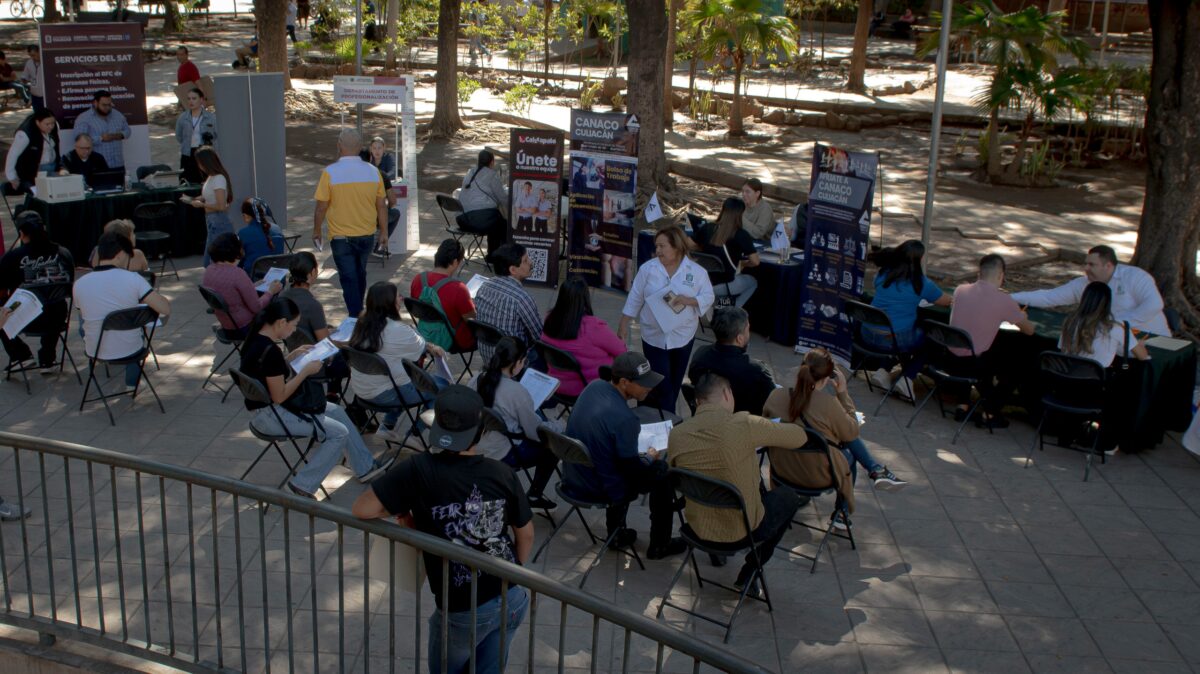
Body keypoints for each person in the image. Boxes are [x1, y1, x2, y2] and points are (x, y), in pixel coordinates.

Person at [352, 385, 532, 674]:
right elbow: (526, 534)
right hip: (511, 596)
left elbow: (362, 509)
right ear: (481, 431)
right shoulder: (502, 472)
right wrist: (514, 572)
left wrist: (402, 508)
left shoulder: (418, 470)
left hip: (462, 610)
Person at [668, 373, 804, 594]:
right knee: (788, 496)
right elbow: (799, 437)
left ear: (698, 401)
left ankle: (729, 559)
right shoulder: (744, 424)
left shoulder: (677, 434)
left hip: (697, 527)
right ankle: (751, 570)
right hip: (743, 532)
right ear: (726, 393)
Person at [240, 298, 390, 499]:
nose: (294, 331)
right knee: (339, 433)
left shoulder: (254, 339)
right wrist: (305, 372)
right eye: (293, 325)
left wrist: (291, 357)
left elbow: (265, 373)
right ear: (281, 322)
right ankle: (301, 486)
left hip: (266, 410)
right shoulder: (270, 352)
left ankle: (365, 467)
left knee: (337, 411)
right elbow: (279, 395)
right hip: (272, 416)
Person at [562, 352, 685, 559]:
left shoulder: (594, 387)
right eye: (643, 383)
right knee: (662, 474)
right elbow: (633, 474)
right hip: (596, 487)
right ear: (624, 382)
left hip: (573, 475)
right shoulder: (626, 419)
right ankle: (660, 544)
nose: (650, 387)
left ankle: (617, 532)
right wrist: (648, 458)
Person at [765, 348, 907, 523]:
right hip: (818, 476)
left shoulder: (775, 396)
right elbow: (852, 431)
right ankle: (842, 512)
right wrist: (843, 393)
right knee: (849, 452)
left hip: (783, 471)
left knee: (832, 442)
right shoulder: (829, 405)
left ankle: (875, 470)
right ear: (826, 379)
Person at [619, 225, 715, 414]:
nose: (658, 251)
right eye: (657, 246)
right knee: (662, 384)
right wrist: (623, 324)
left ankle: (654, 415)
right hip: (653, 337)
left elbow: (709, 296)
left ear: (677, 247)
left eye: (663, 246)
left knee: (674, 382)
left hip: (682, 337)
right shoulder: (648, 269)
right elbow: (635, 297)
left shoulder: (697, 272)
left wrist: (689, 300)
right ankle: (667, 422)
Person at [347, 282, 448, 443]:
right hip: (385, 394)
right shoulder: (397, 330)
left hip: (361, 390)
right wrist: (424, 341)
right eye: (398, 297)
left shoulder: (362, 321)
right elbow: (420, 347)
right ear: (389, 304)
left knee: (403, 375)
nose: (401, 299)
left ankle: (387, 426)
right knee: (443, 389)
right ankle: (415, 435)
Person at [471, 336, 561, 509]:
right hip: (501, 451)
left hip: (475, 444)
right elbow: (535, 433)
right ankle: (534, 495)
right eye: (524, 361)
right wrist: (556, 426)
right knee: (553, 447)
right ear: (518, 363)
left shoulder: (477, 379)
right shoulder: (516, 392)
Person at [73, 233, 171, 391]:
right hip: (130, 350)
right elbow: (165, 309)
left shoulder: (79, 284)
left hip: (95, 350)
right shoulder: (133, 279)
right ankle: (132, 383)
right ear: (120, 255)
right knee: (137, 326)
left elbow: (85, 313)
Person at [949, 254, 1035, 428]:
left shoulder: (960, 290)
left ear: (979, 273)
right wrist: (1022, 316)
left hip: (949, 358)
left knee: (981, 349)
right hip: (976, 363)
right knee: (1017, 366)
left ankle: (962, 405)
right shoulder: (1004, 300)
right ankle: (991, 410)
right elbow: (1029, 330)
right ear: (1001, 275)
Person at [1012, 245, 1170, 336]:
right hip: (1112, 341)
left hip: (1153, 338)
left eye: (1091, 265)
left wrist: (1117, 323)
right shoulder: (1084, 283)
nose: (1085, 269)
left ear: (1108, 265)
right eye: (1085, 264)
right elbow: (1049, 297)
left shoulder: (1135, 276)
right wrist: (1009, 298)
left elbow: (1155, 304)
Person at [313, 129, 388, 317]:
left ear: (339, 145)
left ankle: (356, 317)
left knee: (348, 278)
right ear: (361, 147)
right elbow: (382, 206)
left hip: (340, 238)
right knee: (359, 274)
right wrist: (384, 232)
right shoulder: (373, 172)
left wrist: (316, 230)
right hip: (366, 235)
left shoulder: (330, 173)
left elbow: (321, 207)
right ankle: (358, 312)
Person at [866, 239, 952, 389]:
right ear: (920, 259)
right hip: (893, 339)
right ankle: (907, 378)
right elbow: (945, 301)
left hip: (866, 333)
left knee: (905, 333)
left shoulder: (883, 273)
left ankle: (883, 370)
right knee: (930, 340)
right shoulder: (922, 283)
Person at [0, 212, 73, 371]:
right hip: (57, 318)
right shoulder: (63, 253)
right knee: (53, 301)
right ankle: (47, 358)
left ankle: (21, 355)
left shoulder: (12, 257)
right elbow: (69, 285)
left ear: (21, 233)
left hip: (25, 319)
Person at [539, 275, 626, 398]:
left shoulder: (550, 319)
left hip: (557, 384)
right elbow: (622, 351)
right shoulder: (594, 327)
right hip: (588, 389)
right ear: (585, 298)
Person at [687, 307, 775, 415]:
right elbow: (773, 405)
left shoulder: (699, 355)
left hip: (706, 419)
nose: (749, 334)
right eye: (748, 330)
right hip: (744, 426)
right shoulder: (758, 371)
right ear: (739, 338)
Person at [201, 233, 282, 338]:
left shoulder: (209, 270)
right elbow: (257, 307)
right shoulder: (237, 273)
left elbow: (228, 291)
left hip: (226, 324)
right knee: (279, 307)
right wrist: (271, 291)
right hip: (244, 327)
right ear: (235, 251)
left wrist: (251, 286)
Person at [474, 243, 542, 364]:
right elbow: (539, 337)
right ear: (513, 270)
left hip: (487, 356)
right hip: (512, 362)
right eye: (525, 261)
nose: (531, 263)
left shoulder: (483, 287)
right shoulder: (521, 298)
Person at [1059, 282, 1150, 369]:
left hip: (1066, 376)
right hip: (1093, 380)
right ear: (1107, 304)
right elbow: (1143, 356)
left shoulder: (1070, 322)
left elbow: (1062, 348)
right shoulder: (1115, 328)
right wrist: (1139, 344)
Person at [409, 238, 477, 352]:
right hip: (453, 340)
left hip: (425, 334)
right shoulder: (458, 288)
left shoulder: (418, 279)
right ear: (455, 262)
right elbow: (471, 318)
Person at [692, 197, 760, 308]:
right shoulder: (741, 235)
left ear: (723, 210)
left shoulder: (707, 228)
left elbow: (688, 244)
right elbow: (756, 262)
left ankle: (717, 304)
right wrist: (744, 264)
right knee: (753, 282)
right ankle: (731, 307)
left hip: (702, 283)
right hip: (724, 284)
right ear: (740, 214)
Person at [186, 147, 236, 267]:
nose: (199, 166)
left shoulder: (218, 178)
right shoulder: (210, 177)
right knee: (210, 261)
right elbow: (210, 196)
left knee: (213, 261)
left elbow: (221, 205)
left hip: (218, 221)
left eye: (200, 162)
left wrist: (202, 204)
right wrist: (196, 199)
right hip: (211, 221)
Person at [457, 149, 508, 257]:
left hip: (462, 220)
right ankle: (497, 256)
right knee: (503, 224)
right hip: (477, 221)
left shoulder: (470, 172)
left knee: (494, 220)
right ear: (492, 162)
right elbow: (502, 198)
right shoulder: (492, 175)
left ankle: (492, 254)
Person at [5, 109, 62, 195]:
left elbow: (56, 148)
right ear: (37, 122)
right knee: (38, 193)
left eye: (52, 123)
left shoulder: (54, 127)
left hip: (51, 167)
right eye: (47, 124)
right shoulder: (25, 134)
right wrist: (12, 177)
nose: (51, 126)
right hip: (32, 171)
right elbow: (12, 155)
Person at [72, 90, 131, 173]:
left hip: (118, 164)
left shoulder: (117, 115)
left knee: (121, 186)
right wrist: (101, 138)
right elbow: (79, 141)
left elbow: (127, 131)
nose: (107, 107)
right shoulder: (84, 118)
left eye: (109, 104)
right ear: (95, 103)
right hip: (97, 166)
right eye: (104, 105)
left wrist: (118, 135)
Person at [280, 251, 331, 342]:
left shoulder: (282, 295)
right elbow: (325, 343)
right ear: (313, 272)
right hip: (313, 352)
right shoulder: (313, 305)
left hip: (293, 348)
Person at [174, 88, 216, 185]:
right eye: (189, 99)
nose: (191, 101)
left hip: (204, 153)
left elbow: (216, 135)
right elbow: (179, 136)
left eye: (194, 98)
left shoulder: (210, 117)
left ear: (201, 100)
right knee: (186, 181)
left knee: (205, 182)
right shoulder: (183, 117)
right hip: (188, 153)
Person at [237, 198, 285, 274]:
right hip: (278, 278)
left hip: (254, 278)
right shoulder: (277, 229)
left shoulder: (243, 233)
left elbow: (239, 258)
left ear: (246, 216)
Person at [20, 45, 44, 113]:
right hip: (34, 95)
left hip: (44, 95)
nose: (32, 57)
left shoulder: (46, 62)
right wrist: (23, 80)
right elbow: (25, 76)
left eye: (34, 55)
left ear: (39, 52)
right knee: (36, 115)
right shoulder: (29, 62)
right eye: (30, 55)